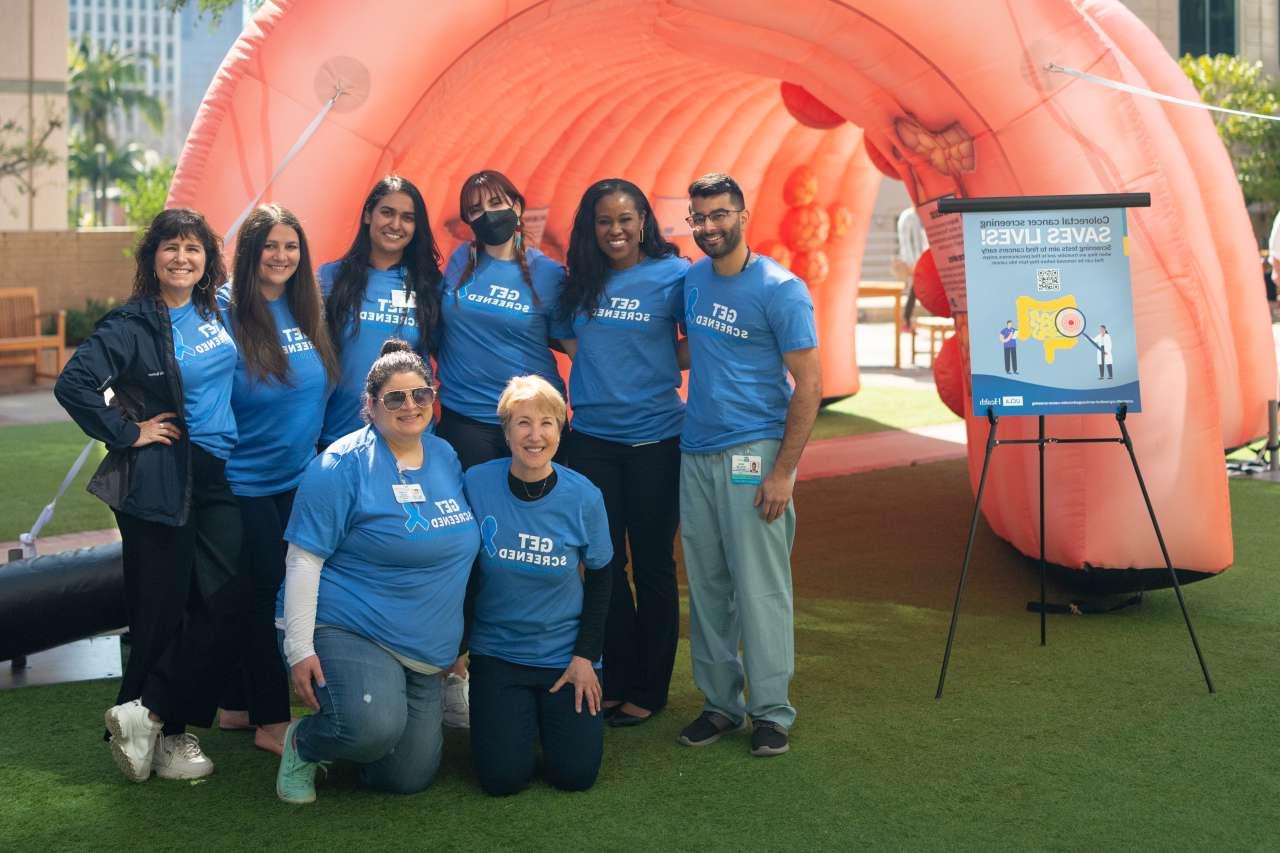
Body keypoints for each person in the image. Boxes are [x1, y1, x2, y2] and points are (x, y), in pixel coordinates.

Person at [55, 208, 242, 782]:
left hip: (216, 471)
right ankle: (167, 734)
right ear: (152, 258)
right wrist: (129, 431)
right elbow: (74, 383)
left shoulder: (219, 309)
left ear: (208, 258)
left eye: (194, 248)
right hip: (161, 476)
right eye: (171, 248)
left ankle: (145, 715)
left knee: (223, 594)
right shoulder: (133, 323)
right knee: (163, 610)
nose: (182, 258)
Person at [275, 340, 480, 804]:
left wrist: (456, 644)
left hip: (424, 649)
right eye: (395, 397)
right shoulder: (341, 464)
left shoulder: (445, 456)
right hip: (350, 626)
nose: (410, 406)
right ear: (369, 404)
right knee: (370, 727)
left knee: (407, 776)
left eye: (420, 394)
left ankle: (370, 729)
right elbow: (303, 560)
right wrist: (299, 648)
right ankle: (304, 743)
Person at [676, 173, 821, 758]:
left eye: (719, 215)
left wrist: (782, 471)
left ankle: (770, 712)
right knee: (708, 586)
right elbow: (692, 349)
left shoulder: (782, 289)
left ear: (742, 214)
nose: (709, 227)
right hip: (696, 451)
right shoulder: (691, 281)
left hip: (754, 452)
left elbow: (810, 385)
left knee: (760, 587)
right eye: (700, 218)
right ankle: (720, 705)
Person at [555, 178, 688, 727]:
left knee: (654, 566)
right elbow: (570, 343)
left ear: (643, 222)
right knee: (605, 564)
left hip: (657, 440)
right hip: (592, 442)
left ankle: (650, 689)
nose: (616, 230)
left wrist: (656, 360)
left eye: (626, 218)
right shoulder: (578, 283)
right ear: (591, 227)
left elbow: (698, 338)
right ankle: (619, 674)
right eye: (604, 221)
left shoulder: (675, 276)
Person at [214, 204, 339, 756]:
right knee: (264, 596)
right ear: (250, 253)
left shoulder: (304, 306)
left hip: (296, 478)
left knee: (264, 594)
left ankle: (237, 706)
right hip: (242, 482)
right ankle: (268, 720)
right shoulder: (223, 309)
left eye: (291, 247)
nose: (282, 257)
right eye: (271, 246)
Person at [464, 375, 612, 795]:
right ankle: (515, 721)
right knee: (501, 779)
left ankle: (542, 719)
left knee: (575, 776)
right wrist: (458, 647)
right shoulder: (476, 483)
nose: (535, 435)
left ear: (561, 430)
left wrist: (586, 657)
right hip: (498, 653)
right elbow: (460, 570)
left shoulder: (584, 496)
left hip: (564, 657)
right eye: (523, 423)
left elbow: (602, 579)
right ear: (506, 431)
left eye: (547, 423)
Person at [435, 170, 567, 470]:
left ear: (517, 206)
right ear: (468, 221)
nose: (488, 215)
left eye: (496, 203)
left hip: (531, 419)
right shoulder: (459, 260)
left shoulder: (549, 273)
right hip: (466, 417)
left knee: (534, 512)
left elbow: (573, 345)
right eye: (475, 210)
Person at [318, 175, 443, 450]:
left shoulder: (430, 285)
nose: (396, 225)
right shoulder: (330, 278)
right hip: (341, 433)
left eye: (407, 217)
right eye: (387, 212)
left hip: (410, 435)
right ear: (367, 215)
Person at [893, 205, 928, 332]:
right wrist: (913, 263)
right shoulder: (910, 217)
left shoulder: (913, 216)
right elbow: (908, 243)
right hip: (915, 261)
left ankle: (907, 320)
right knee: (914, 291)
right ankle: (907, 320)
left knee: (914, 291)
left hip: (918, 261)